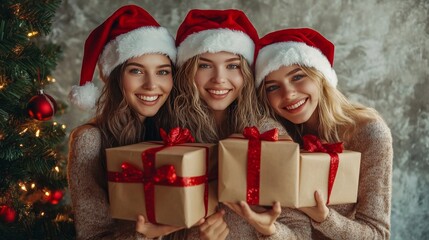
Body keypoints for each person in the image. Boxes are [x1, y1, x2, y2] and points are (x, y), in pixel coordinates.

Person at [164, 9, 310, 240]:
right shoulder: (167, 133)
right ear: (187, 72)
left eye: (232, 66)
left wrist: (268, 229)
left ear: (246, 73)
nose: (219, 78)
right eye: (204, 65)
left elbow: (301, 233)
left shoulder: (266, 133)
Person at [255, 28, 393, 239]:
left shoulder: (369, 133)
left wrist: (325, 218)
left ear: (320, 76)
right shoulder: (275, 136)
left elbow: (377, 234)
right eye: (273, 87)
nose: (288, 93)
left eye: (298, 77)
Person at [67, 5, 181, 239]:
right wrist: (142, 236)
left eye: (162, 72)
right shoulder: (90, 141)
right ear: (115, 77)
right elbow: (92, 234)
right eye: (136, 71)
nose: (151, 85)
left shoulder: (177, 130)